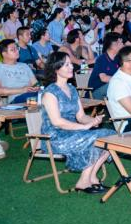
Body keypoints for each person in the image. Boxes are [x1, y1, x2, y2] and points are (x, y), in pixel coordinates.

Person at [40, 51, 113, 193]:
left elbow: (81, 116)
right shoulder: (50, 93)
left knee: (110, 135)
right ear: (56, 69)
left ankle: (92, 177)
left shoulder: (72, 89)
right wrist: (84, 127)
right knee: (95, 138)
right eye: (66, 65)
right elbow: (57, 122)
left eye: (71, 64)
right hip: (55, 137)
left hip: (74, 132)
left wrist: (92, 120)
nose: (71, 67)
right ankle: (83, 181)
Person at [0, 39, 39, 104]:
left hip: (32, 96)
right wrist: (22, 90)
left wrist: (36, 87)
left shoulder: (24, 66)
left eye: (17, 48)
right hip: (16, 100)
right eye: (13, 50)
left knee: (46, 95)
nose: (17, 51)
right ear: (4, 54)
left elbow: (35, 83)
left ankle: (42, 101)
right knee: (39, 100)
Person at [88, 32, 123, 99]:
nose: (123, 44)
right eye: (121, 42)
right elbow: (104, 78)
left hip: (111, 89)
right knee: (118, 85)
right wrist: (122, 80)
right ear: (113, 45)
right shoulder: (101, 59)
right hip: (96, 91)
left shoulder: (118, 59)